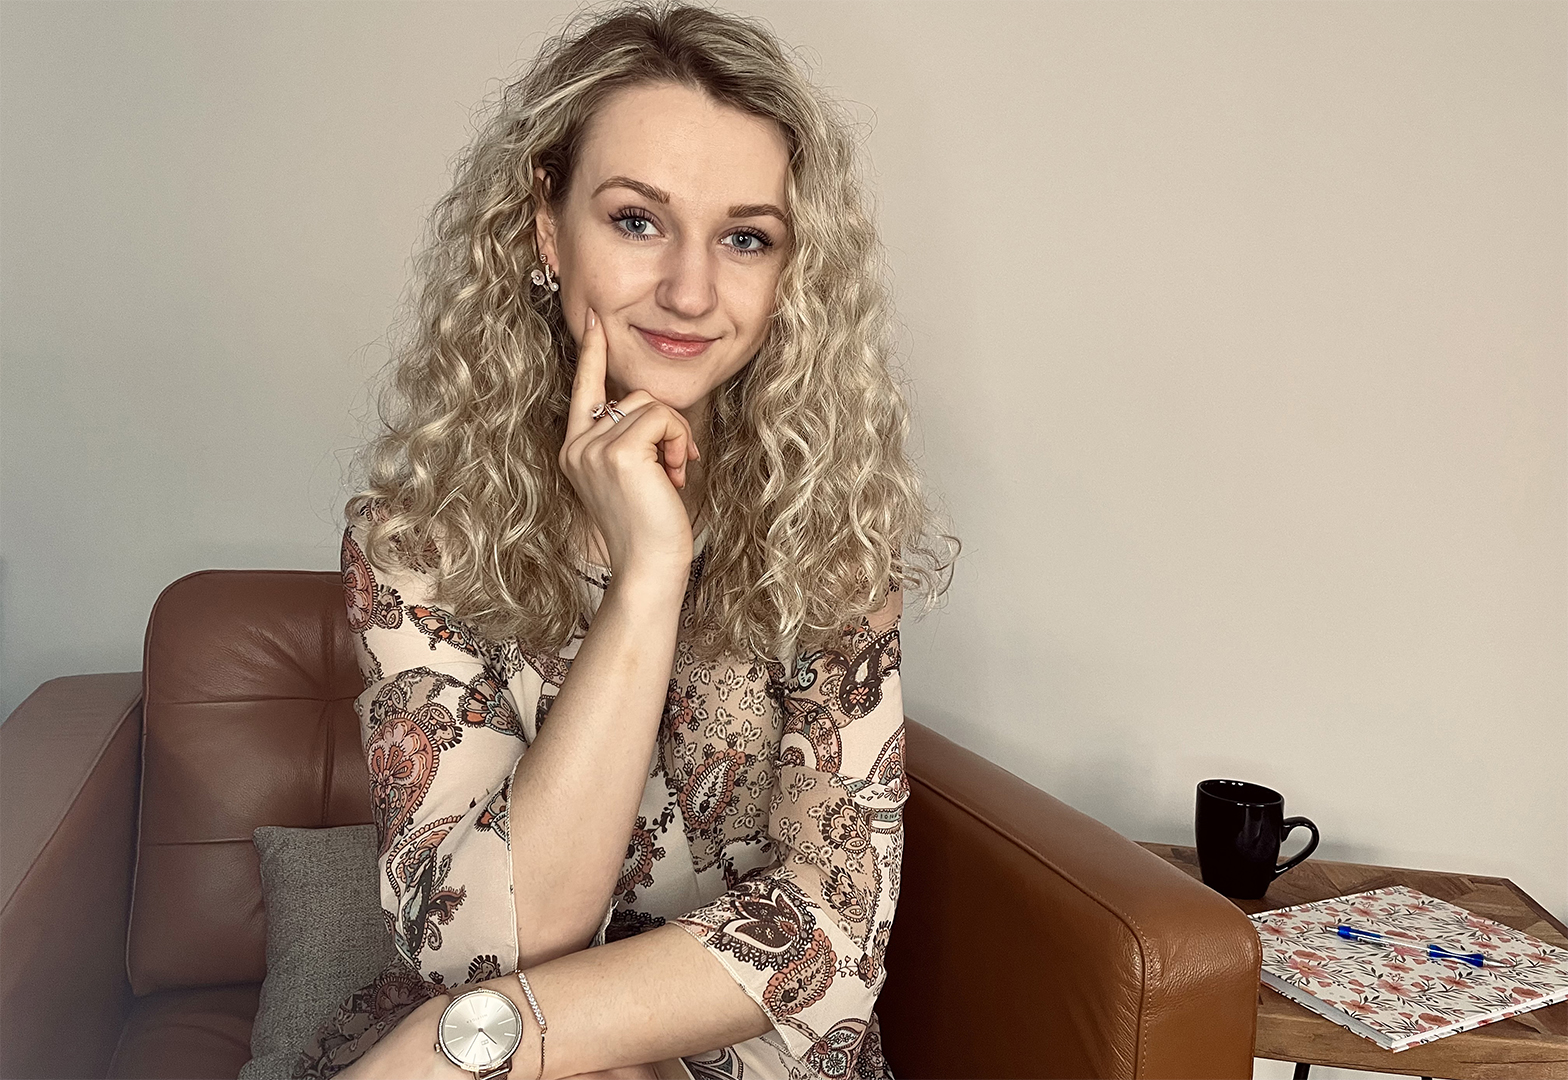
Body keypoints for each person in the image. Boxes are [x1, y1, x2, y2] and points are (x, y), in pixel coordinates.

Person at [299, 3, 954, 1078]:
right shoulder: (416, 539)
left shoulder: (830, 536)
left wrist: (481, 1042)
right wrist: (648, 579)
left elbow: (833, 938)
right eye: (638, 221)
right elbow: (480, 945)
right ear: (545, 230)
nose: (691, 292)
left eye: (745, 238)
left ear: (789, 274)